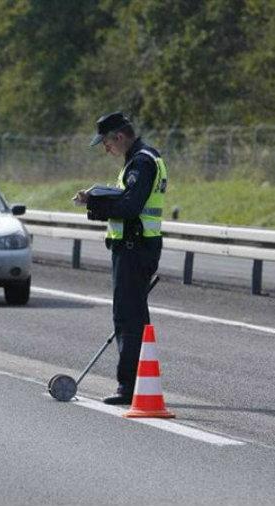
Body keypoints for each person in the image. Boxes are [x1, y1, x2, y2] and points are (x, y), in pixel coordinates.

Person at [75, 111, 168, 405]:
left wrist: (95, 203)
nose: (106, 149)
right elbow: (128, 200)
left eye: (106, 143)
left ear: (119, 136)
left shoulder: (141, 161)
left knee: (127, 318)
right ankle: (139, 382)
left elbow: (130, 206)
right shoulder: (140, 159)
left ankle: (128, 387)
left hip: (134, 247)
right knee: (134, 317)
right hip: (134, 246)